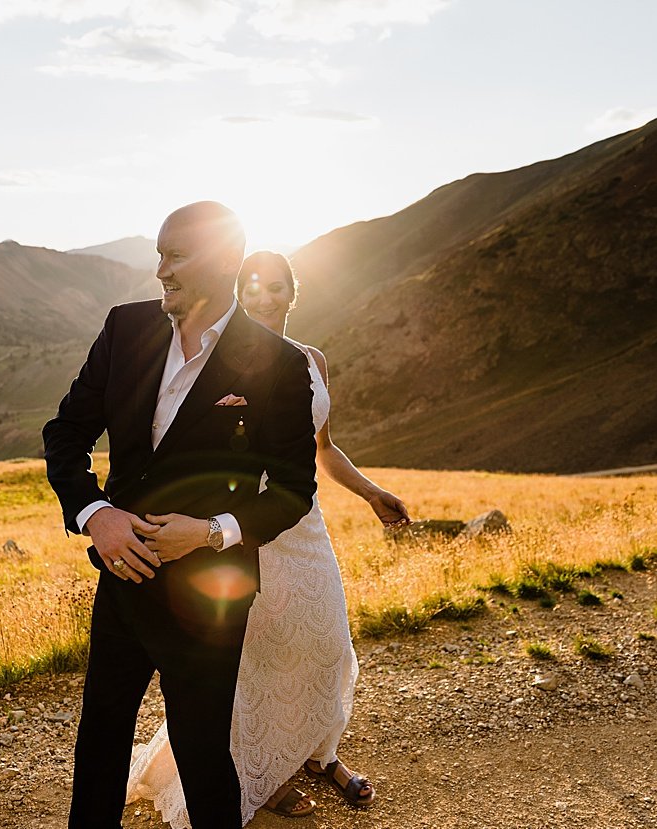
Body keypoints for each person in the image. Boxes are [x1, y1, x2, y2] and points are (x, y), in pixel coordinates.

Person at [44, 202, 319, 829]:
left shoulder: (279, 364)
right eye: (159, 254)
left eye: (175, 255)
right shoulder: (125, 329)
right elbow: (65, 433)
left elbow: (295, 487)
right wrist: (95, 514)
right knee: (101, 740)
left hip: (212, 592)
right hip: (124, 575)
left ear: (225, 261)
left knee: (201, 753)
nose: (160, 269)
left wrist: (212, 531)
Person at [125, 250, 409, 824]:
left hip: (303, 524)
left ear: (291, 294)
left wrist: (371, 492)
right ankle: (263, 772)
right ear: (238, 291)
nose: (264, 297)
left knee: (327, 643)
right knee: (256, 655)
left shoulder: (311, 360)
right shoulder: (220, 363)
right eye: (252, 287)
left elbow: (322, 451)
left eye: (276, 287)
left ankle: (318, 753)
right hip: (241, 529)